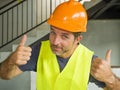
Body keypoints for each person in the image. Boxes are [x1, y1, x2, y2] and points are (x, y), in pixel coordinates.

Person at [0, 0, 120, 90]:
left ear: (78, 39)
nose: (55, 41)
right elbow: (4, 75)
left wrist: (110, 78)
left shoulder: (90, 62)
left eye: (64, 36)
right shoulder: (38, 50)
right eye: (53, 32)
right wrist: (11, 61)